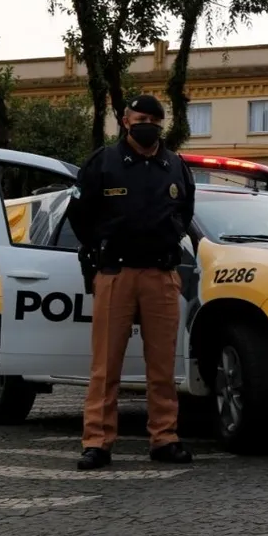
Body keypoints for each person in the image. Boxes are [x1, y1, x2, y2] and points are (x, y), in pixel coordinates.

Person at [66, 95, 196, 470]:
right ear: (125, 121)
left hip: (160, 274)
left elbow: (185, 212)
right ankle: (97, 442)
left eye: (155, 119)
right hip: (115, 272)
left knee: (162, 365)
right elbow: (79, 215)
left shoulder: (174, 165)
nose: (148, 124)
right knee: (106, 365)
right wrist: (99, 247)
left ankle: (165, 438)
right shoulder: (102, 162)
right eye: (141, 118)